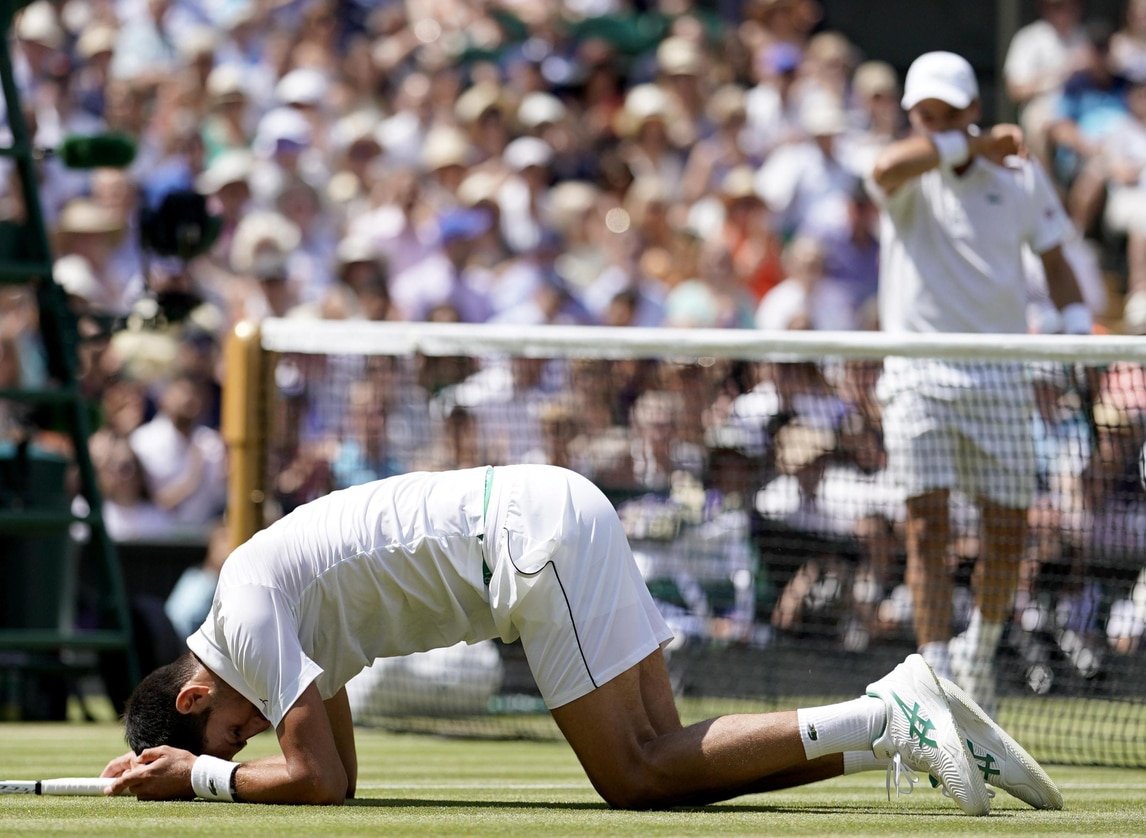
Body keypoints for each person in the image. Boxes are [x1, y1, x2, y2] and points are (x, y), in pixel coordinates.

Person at [101, 465, 1060, 814]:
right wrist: (209, 762)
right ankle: (894, 735)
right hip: (554, 513)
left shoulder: (245, 607)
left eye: (235, 732)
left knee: (631, 778)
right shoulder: (265, 617)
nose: (253, 737)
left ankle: (885, 711)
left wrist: (200, 778)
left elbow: (310, 779)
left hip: (529, 539)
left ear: (196, 695)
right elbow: (339, 781)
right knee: (675, 770)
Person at [869, 51, 1091, 717]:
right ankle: (934, 673)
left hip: (1000, 377)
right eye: (924, 113)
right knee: (925, 529)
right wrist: (969, 143)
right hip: (917, 376)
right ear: (913, 115)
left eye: (948, 112)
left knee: (1008, 534)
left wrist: (1077, 335)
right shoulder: (902, 173)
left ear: (971, 107)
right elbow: (885, 168)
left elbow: (1056, 260)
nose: (934, 122)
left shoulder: (1018, 176)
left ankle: (978, 651)